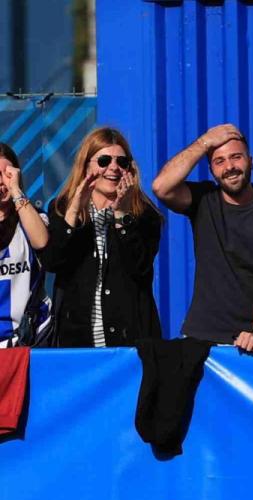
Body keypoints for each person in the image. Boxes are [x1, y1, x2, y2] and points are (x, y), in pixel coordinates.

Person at [151, 124, 253, 353]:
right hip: (200, 338)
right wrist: (204, 142)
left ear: (251, 161)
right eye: (219, 161)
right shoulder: (204, 199)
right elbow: (161, 187)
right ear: (212, 169)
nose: (230, 167)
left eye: (236, 157)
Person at [40, 128, 162, 347]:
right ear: (86, 165)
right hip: (77, 341)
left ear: (130, 169)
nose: (113, 168)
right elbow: (53, 262)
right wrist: (74, 211)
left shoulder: (144, 215)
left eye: (121, 162)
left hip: (130, 342)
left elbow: (141, 268)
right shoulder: (60, 208)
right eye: (104, 160)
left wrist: (122, 216)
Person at [0, 144, 50, 347]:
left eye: (7, 174)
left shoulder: (32, 218)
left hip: (31, 338)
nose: (2, 181)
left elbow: (41, 241)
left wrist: (15, 191)